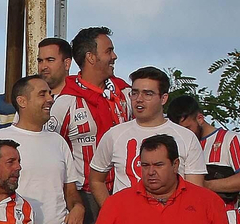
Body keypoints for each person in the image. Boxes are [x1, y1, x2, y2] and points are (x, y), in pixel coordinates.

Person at [0, 75, 84, 224]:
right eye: (42, 94)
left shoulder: (59, 142)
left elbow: (70, 191)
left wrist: (78, 208)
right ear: (22, 101)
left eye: (50, 93)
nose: (50, 98)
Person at [87, 68, 205, 205]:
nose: (139, 99)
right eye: (134, 93)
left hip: (172, 222)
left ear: (163, 98)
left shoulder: (186, 137)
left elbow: (195, 192)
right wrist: (112, 213)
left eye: (148, 94)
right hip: (127, 223)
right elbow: (96, 179)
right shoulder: (115, 135)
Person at [49, 27, 130, 197]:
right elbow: (51, 153)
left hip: (125, 193)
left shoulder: (126, 93)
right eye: (109, 51)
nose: (114, 57)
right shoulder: (65, 102)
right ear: (91, 57)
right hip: (86, 197)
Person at [167, 94, 240, 205]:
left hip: (224, 215)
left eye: (187, 128)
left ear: (200, 118)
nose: (184, 134)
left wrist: (205, 185)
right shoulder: (177, 144)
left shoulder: (229, 139)